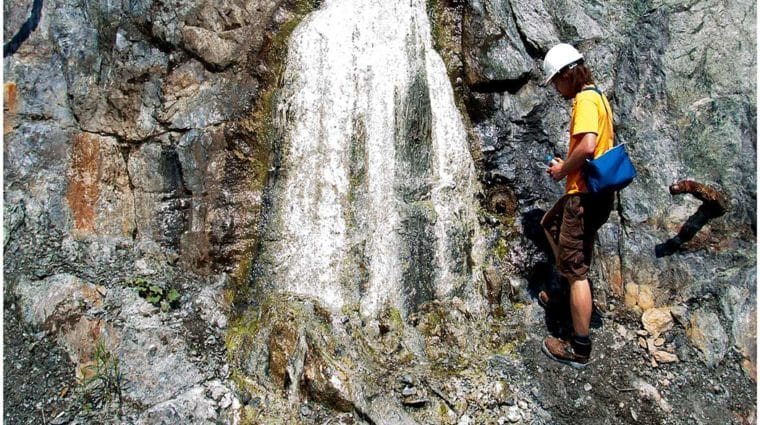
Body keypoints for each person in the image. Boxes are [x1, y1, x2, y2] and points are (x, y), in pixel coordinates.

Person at [539, 43, 615, 369]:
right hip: (595, 194)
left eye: (556, 81)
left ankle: (578, 348)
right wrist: (568, 166)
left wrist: (561, 170)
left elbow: (586, 147)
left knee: (576, 268)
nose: (556, 89)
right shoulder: (598, 96)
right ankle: (564, 297)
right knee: (553, 227)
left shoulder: (584, 99)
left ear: (568, 74)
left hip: (582, 196)